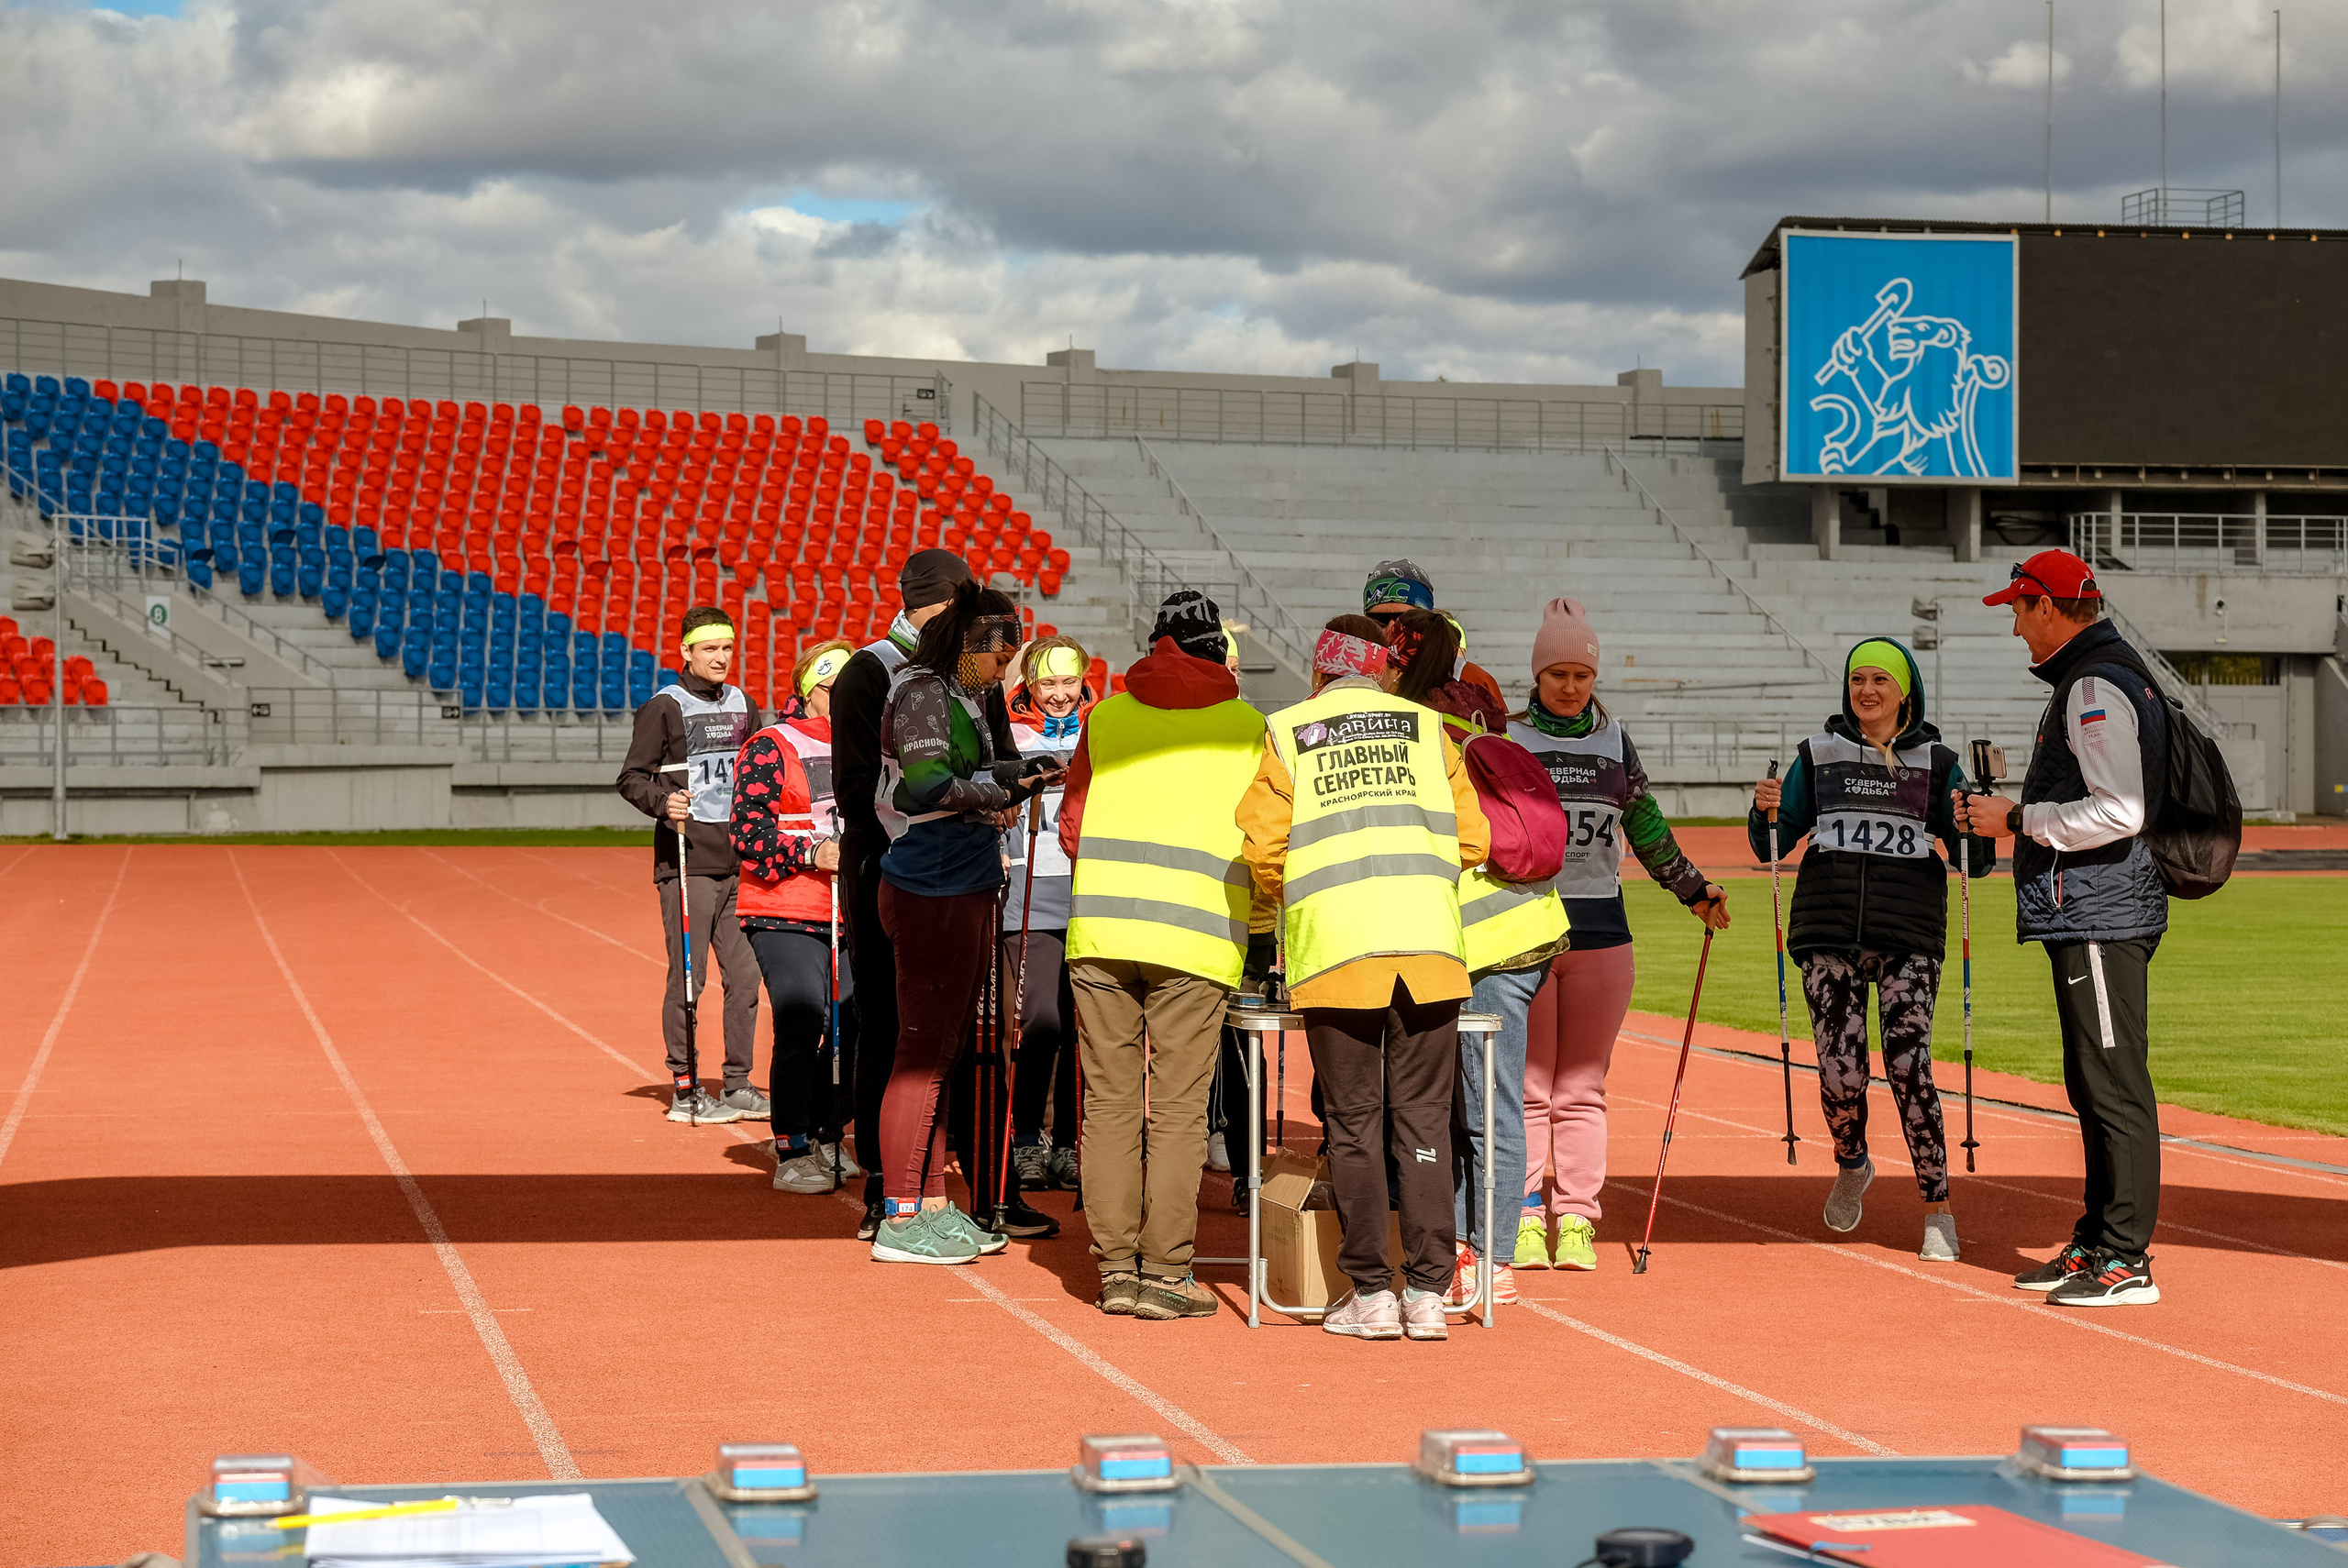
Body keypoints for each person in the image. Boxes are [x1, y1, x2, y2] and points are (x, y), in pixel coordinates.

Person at [1241, 613, 1492, 1342]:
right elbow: (1475, 838)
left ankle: (1372, 1295)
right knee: (1423, 1126)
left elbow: (1263, 850)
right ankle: (1428, 1295)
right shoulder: (1426, 729)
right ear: (1382, 672)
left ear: (1319, 676)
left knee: (1353, 1126)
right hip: (1428, 950)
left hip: (1338, 951)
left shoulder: (1288, 731)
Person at [1958, 549, 2170, 1308]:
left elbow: (2121, 810)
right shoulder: (2101, 675)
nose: (2014, 628)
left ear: (2047, 605)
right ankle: (2099, 1240)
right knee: (2092, 1081)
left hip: (2103, 910)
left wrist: (2018, 818)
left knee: (2112, 1083)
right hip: (2091, 908)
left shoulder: (2092, 686)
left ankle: (2126, 1258)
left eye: (2017, 610)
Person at [1058, 591, 1269, 1320]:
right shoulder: (1247, 726)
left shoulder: (1106, 715)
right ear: (1218, 650)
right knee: (1179, 1112)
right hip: (1197, 935)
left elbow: (1074, 825)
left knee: (1110, 1105)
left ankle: (1116, 1268)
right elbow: (1265, 834)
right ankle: (1167, 1273)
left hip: (1101, 932)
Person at [1749, 638, 1995, 1262]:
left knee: (1910, 1068)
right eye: (1858, 679)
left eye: (1880, 680)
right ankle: (1853, 1160)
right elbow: (1772, 844)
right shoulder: (1818, 753)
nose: (1867, 691)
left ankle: (1937, 1210)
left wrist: (1971, 823)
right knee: (1840, 1073)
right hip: (1826, 930)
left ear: (1905, 690)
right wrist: (1764, 812)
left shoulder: (1938, 762)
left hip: (1908, 933)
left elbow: (1979, 859)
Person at [1508, 597, 1727, 1272]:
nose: (1570, 687)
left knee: (1581, 1086)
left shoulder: (1614, 742)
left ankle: (1575, 1220)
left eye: (1582, 675)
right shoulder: (1508, 737)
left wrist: (1693, 889)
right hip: (1527, 931)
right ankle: (1518, 1216)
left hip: (1603, 933)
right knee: (1527, 1086)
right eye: (1557, 675)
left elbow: (1646, 826)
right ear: (1537, 677)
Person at [1383, 609, 1570, 1310]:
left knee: (1485, 1107)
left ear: (1400, 666)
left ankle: (1490, 1257)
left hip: (1483, 935)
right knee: (1478, 1104)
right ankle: (1471, 1247)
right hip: (1526, 925)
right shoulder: (1483, 716)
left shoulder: (1419, 733)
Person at [870, 581, 1060, 1264]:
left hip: (961, 876)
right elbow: (924, 785)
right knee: (922, 1052)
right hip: (933, 880)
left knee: (943, 1051)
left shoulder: (958, 692)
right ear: (973, 644)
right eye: (1000, 653)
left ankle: (929, 1203)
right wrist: (1001, 791)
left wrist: (1026, 772)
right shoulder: (924, 689)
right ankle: (898, 1216)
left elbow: (973, 770)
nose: (1007, 666)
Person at [831, 549, 983, 1240]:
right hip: (891, 868)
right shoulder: (870, 669)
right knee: (887, 1024)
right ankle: (881, 1190)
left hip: (957, 868)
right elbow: (857, 785)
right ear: (943, 602)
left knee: (941, 1030)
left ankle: (935, 1189)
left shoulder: (964, 670)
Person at [615, 604, 767, 1126]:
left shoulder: (745, 702)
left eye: (727, 648)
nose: (721, 658)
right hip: (687, 863)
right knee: (689, 978)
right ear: (686, 651)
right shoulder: (664, 706)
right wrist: (663, 802)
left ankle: (738, 1084)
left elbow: (759, 772)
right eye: (710, 649)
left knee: (745, 978)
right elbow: (632, 777)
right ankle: (684, 1089)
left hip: (738, 861)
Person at [732, 640, 864, 1194]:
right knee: (803, 1018)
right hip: (784, 907)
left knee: (851, 1024)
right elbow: (746, 833)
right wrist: (811, 853)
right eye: (835, 690)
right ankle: (792, 1145)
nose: (847, 700)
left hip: (851, 910)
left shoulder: (870, 747)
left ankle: (830, 1130)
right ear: (810, 690)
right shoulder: (770, 744)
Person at [1002, 635, 1093, 1196]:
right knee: (1039, 1021)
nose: (1059, 696)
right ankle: (1026, 1138)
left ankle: (1068, 1142)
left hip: (1089, 892)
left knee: (1084, 1027)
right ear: (1030, 685)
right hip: (1029, 890)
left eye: (1068, 683)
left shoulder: (1100, 727)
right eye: (1048, 684)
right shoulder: (1007, 732)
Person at [1360, 559, 1506, 710]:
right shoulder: (1352, 674)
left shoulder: (1472, 679)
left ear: (1426, 618)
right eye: (1379, 620)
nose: (1391, 629)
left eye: (1402, 619)